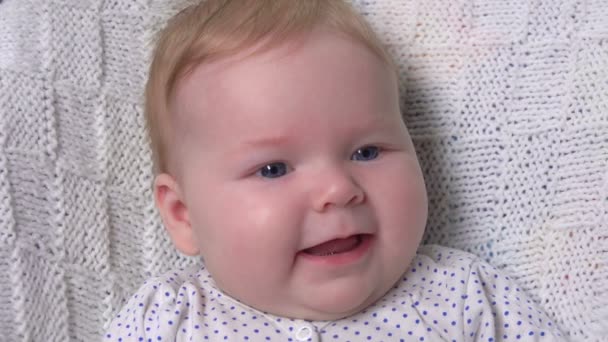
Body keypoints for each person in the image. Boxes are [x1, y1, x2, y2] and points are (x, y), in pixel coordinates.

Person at [105, 0, 564, 340]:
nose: (337, 189)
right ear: (184, 215)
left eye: (366, 152)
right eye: (273, 168)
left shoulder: (461, 295)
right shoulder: (167, 319)